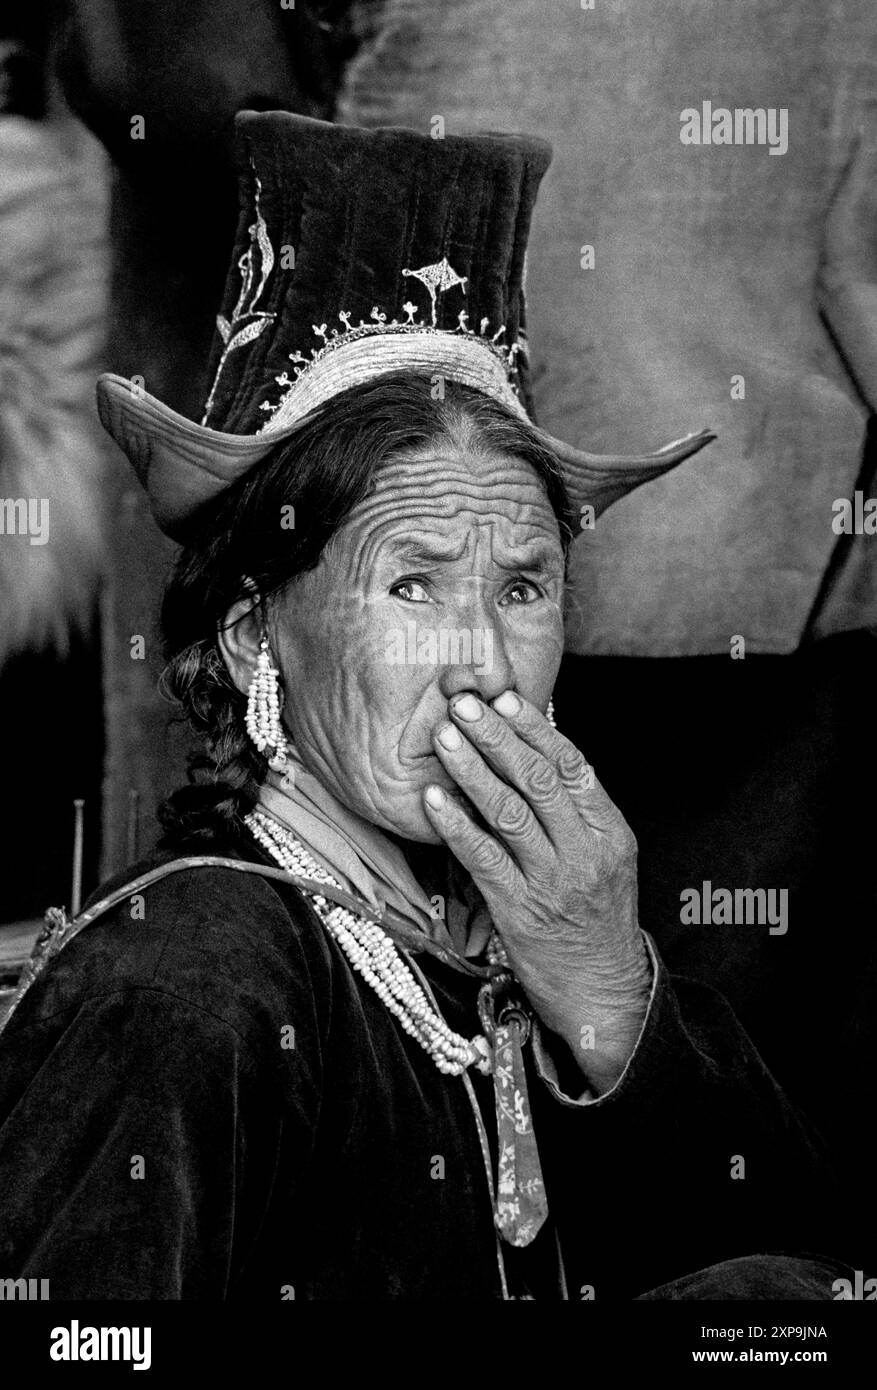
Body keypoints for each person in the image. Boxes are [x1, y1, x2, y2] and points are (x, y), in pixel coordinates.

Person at [0, 112, 849, 1300]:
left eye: (521, 585)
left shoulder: (524, 941)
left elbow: (808, 1279)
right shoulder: (185, 990)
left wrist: (611, 992)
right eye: (412, 582)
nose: (481, 663)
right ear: (257, 633)